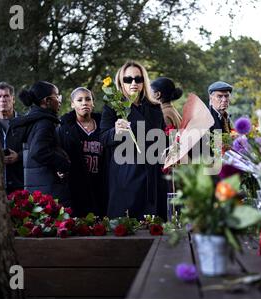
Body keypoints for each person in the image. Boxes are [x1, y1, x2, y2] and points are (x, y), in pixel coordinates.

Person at [100, 61, 167, 220]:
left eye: (138, 79)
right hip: (127, 175)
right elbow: (103, 138)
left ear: (144, 81)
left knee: (154, 227)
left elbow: (163, 138)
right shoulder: (113, 107)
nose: (134, 83)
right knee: (128, 227)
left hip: (154, 176)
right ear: (120, 82)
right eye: (128, 79)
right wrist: (115, 131)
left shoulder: (155, 108)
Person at [12, 81, 71, 205]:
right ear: (47, 101)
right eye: (57, 96)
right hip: (48, 189)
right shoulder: (45, 123)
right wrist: (63, 163)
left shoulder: (33, 119)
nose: (60, 100)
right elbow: (39, 151)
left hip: (37, 186)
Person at [58, 87, 106, 217]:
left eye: (88, 99)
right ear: (73, 104)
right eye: (79, 100)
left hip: (100, 185)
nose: (84, 102)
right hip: (76, 186)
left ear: (93, 103)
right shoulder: (65, 129)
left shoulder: (104, 126)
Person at [0, 82, 25, 193]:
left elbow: (34, 149)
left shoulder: (25, 123)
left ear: (13, 99)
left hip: (21, 186)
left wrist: (18, 156)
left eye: (6, 96)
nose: (3, 99)